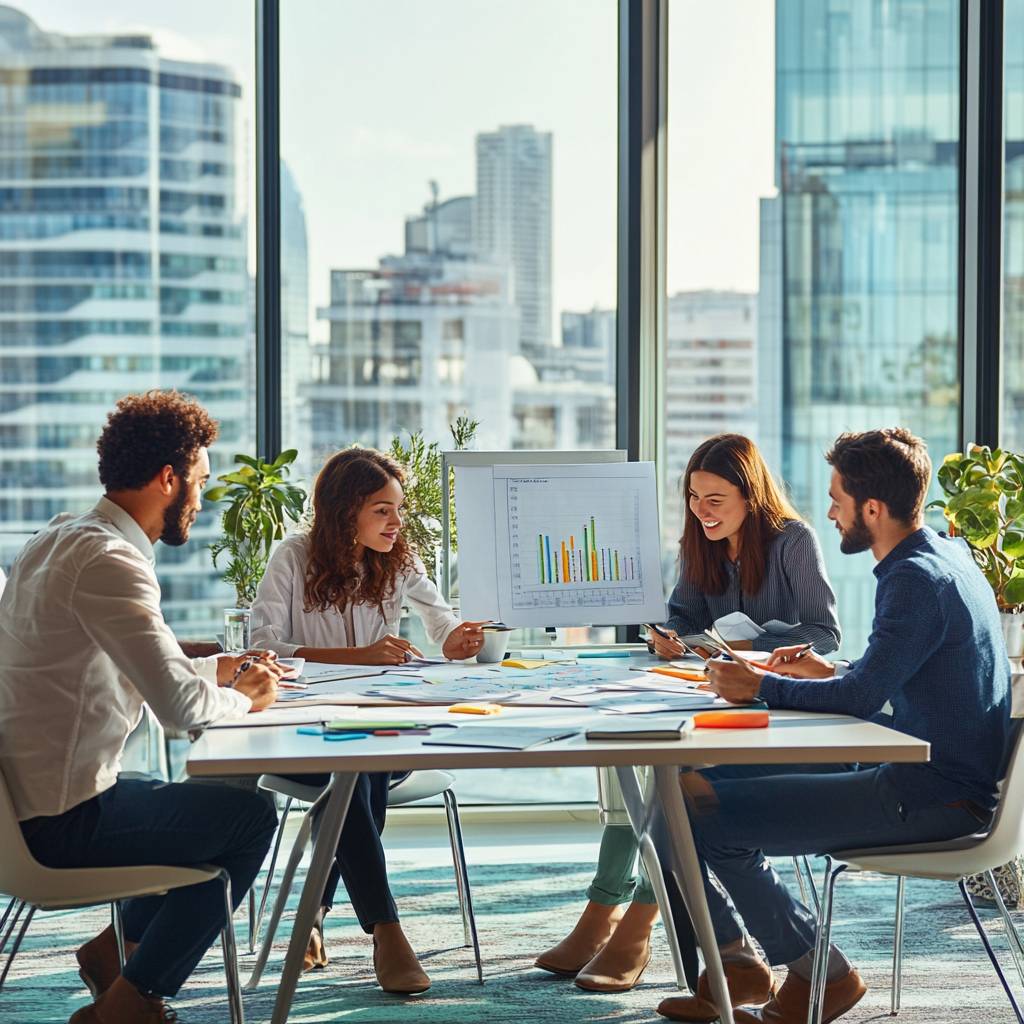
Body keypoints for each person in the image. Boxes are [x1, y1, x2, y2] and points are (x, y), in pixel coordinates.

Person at [655, 427, 1014, 1024]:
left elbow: (862, 699)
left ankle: (819, 974)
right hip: (931, 777)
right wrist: (835, 669)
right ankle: (749, 963)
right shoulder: (944, 555)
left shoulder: (913, 579)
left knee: (696, 817)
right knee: (678, 797)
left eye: (838, 500)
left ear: (871, 509)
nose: (829, 512)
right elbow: (883, 678)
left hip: (927, 796)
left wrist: (760, 684)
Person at [0, 391, 283, 1024]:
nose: (201, 501)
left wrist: (221, 671)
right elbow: (181, 710)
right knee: (249, 817)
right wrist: (241, 694)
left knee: (190, 801)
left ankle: (115, 952)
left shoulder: (61, 536)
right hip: (60, 819)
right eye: (200, 484)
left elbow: (121, 662)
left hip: (27, 800)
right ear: (167, 479)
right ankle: (132, 1001)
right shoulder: (111, 561)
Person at [536, 433, 840, 993]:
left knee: (668, 783)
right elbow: (682, 615)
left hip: (773, 704)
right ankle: (630, 922)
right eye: (694, 498)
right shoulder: (698, 545)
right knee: (651, 766)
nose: (702, 511)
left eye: (715, 499)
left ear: (750, 496)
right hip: (704, 692)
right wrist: (670, 638)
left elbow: (825, 632)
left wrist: (759, 652)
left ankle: (631, 921)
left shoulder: (792, 540)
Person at [250, 446, 487, 995]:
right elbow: (261, 646)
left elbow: (439, 617)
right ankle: (386, 928)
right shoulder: (293, 556)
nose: (396, 522)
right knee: (353, 774)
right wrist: (357, 657)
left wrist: (455, 640)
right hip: (301, 733)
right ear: (345, 509)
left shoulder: (398, 558)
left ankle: (316, 912)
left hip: (381, 731)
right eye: (383, 510)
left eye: (398, 510)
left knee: (360, 770)